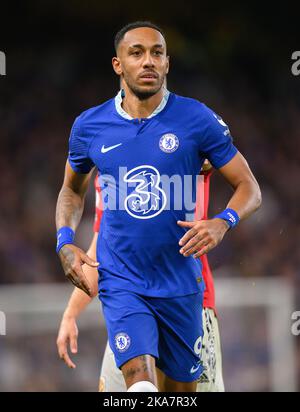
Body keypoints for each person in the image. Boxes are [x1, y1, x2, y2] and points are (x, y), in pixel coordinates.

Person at [55, 21, 261, 392]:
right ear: (118, 64)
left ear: (168, 63)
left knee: (181, 393)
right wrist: (63, 243)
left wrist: (223, 221)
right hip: (124, 284)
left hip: (184, 285)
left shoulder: (197, 121)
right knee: (137, 385)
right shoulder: (91, 129)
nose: (148, 61)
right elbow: (77, 200)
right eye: (137, 53)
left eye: (157, 53)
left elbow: (249, 187)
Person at [57, 161, 225, 392]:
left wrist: (226, 219)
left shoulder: (181, 138)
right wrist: (71, 313)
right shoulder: (108, 169)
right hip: (132, 306)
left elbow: (214, 153)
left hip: (186, 306)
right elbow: (101, 252)